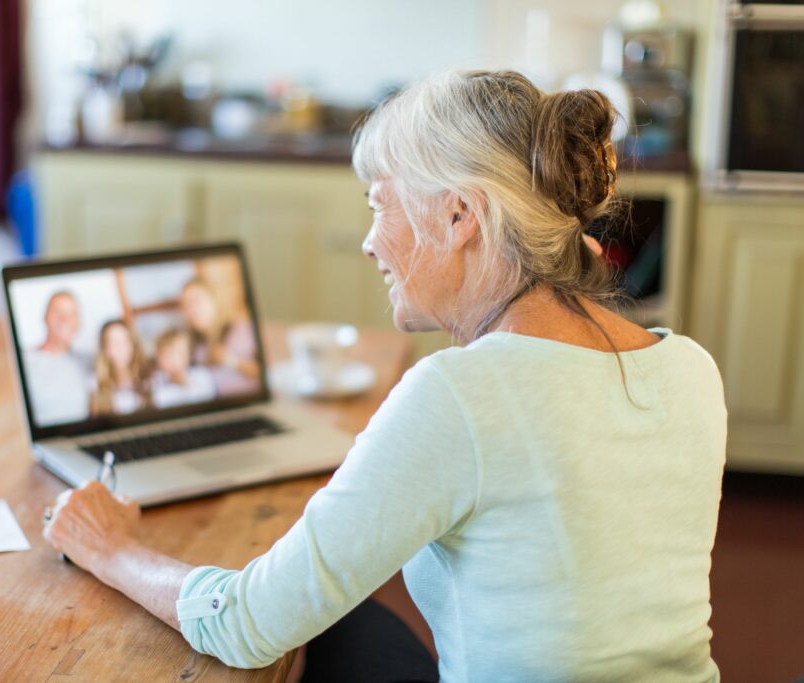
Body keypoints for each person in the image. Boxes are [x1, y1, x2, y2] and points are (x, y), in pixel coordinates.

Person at [42, 70, 726, 682]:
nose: (370, 239)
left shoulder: (459, 396)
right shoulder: (692, 368)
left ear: (460, 215)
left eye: (379, 203)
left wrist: (109, 545)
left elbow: (244, 623)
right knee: (345, 627)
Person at [178, 277, 260, 395]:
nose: (191, 310)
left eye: (196, 301)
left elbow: (266, 375)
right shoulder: (197, 350)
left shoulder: (242, 329)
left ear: (214, 300)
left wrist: (231, 361)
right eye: (185, 306)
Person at [23, 290, 90, 426]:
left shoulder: (87, 361)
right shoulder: (25, 361)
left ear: (79, 323)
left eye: (72, 314)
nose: (65, 319)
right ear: (45, 317)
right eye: (57, 312)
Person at [90, 319, 150, 417]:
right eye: (114, 342)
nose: (121, 347)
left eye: (125, 340)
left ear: (133, 344)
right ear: (105, 349)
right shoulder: (96, 384)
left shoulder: (150, 376)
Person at [150, 328, 217, 410]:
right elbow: (157, 402)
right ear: (159, 358)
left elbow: (208, 398)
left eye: (180, 353)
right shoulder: (154, 381)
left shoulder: (201, 374)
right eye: (169, 353)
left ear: (188, 355)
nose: (175, 359)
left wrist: (184, 383)